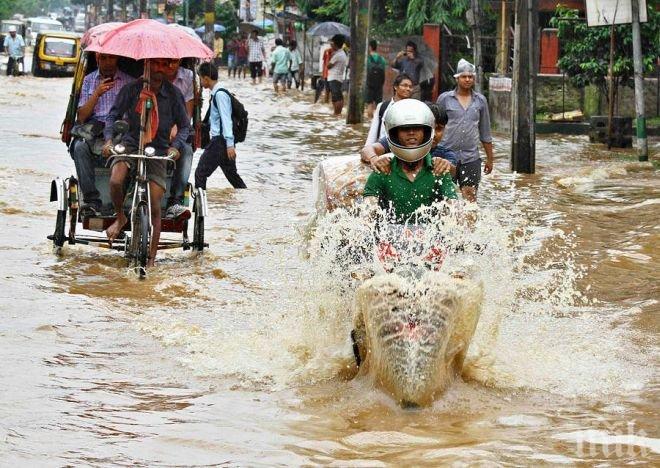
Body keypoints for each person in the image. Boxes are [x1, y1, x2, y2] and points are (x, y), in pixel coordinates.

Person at [102, 58, 190, 267]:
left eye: (163, 65)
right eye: (154, 64)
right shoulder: (131, 90)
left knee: (155, 205)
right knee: (115, 181)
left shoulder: (173, 94)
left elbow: (185, 126)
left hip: (158, 149)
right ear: (146, 66)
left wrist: (175, 147)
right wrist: (108, 139)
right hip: (130, 144)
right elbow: (112, 115)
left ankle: (151, 257)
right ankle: (121, 217)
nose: (159, 69)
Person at [362, 99, 457, 224]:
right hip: (389, 238)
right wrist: (374, 160)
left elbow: (454, 210)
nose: (411, 133)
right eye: (405, 129)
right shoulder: (382, 170)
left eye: (417, 128)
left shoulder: (440, 169)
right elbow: (368, 214)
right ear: (395, 134)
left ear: (427, 131)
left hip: (430, 238)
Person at [72, 53, 133, 216]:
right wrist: (97, 94)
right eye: (103, 59)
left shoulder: (128, 82)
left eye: (111, 58)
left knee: (130, 148)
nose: (107, 63)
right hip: (94, 128)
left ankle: (124, 202)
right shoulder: (89, 80)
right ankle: (91, 201)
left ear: (117, 59)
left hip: (121, 128)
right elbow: (81, 117)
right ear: (97, 59)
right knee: (79, 148)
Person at [436, 58, 494, 202]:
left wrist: (490, 159)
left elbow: (485, 132)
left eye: (470, 77)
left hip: (471, 158)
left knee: (470, 197)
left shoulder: (480, 101)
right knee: (444, 200)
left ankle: (470, 225)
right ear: (457, 78)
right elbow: (434, 126)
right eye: (464, 76)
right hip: (446, 156)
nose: (467, 79)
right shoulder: (445, 99)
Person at [361, 102, 456, 179]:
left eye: (439, 129)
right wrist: (375, 160)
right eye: (430, 128)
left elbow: (453, 171)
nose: (434, 134)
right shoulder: (398, 142)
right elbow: (367, 150)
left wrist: (445, 165)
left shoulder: (446, 154)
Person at [194, 62, 246, 190]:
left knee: (200, 173)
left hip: (220, 142)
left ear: (206, 78)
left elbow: (226, 120)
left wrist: (229, 144)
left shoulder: (220, 95)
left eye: (200, 78)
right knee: (233, 176)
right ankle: (246, 201)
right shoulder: (217, 93)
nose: (200, 81)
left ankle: (200, 207)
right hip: (224, 143)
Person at [163, 58, 195, 218]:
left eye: (173, 62)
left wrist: (177, 126)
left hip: (179, 128)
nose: (169, 66)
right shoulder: (151, 75)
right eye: (165, 62)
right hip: (153, 129)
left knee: (186, 151)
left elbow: (187, 116)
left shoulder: (187, 78)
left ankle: (175, 200)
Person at [365, 73, 413, 145]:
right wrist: (368, 149)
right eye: (405, 85)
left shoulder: (413, 108)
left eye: (410, 87)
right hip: (383, 148)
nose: (408, 89)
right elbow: (373, 132)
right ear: (395, 87)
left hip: (402, 149)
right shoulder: (382, 107)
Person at [326, 34, 348, 116]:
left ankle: (337, 113)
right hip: (335, 78)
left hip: (335, 78)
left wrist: (330, 55)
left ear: (335, 44)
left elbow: (328, 66)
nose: (331, 45)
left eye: (332, 43)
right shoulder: (340, 53)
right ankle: (336, 113)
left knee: (337, 97)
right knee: (335, 97)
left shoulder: (338, 55)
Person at [365, 39, 387, 119]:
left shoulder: (367, 59)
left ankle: (369, 120)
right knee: (378, 105)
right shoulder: (382, 59)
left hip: (369, 84)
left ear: (370, 47)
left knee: (369, 103)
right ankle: (377, 120)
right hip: (379, 85)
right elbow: (383, 71)